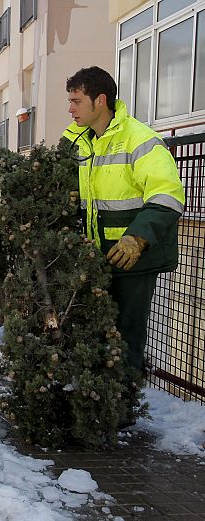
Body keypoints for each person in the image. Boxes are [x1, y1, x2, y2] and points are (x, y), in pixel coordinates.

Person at [62, 66, 185, 373]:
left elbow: (167, 196)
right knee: (101, 330)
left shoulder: (140, 139)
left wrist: (137, 238)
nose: (71, 108)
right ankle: (102, 399)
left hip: (134, 259)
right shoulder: (83, 141)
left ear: (100, 100)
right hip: (99, 255)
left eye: (77, 100)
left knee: (126, 333)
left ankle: (122, 405)